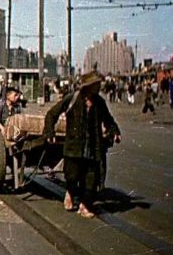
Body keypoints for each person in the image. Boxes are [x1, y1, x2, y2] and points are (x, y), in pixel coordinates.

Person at [44, 71, 121, 218]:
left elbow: (108, 119)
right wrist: (50, 132)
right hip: (74, 146)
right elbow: (52, 114)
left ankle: (85, 206)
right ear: (89, 86)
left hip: (93, 146)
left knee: (91, 178)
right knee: (72, 175)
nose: (99, 87)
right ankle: (70, 192)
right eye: (96, 84)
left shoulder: (99, 102)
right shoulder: (72, 99)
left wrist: (115, 131)